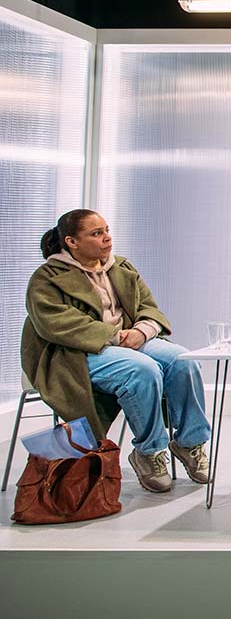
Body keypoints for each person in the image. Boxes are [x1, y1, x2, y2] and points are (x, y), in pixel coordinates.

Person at [22, 209, 212, 493]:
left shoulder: (121, 267)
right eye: (96, 233)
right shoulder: (48, 277)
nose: (107, 238)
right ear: (72, 242)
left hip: (131, 341)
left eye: (107, 230)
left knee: (183, 362)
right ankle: (149, 452)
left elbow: (148, 307)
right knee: (141, 370)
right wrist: (113, 335)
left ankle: (189, 443)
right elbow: (55, 323)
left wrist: (140, 331)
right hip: (76, 352)